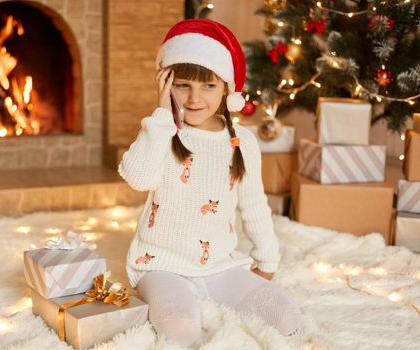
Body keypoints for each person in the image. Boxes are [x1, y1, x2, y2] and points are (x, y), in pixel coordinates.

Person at [118, 19, 302, 347]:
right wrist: (162, 116)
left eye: (208, 86)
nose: (194, 98)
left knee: (287, 318)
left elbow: (255, 206)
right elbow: (138, 177)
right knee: (181, 329)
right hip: (160, 267)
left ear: (227, 90)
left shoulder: (241, 142)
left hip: (219, 266)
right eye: (183, 85)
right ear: (165, 83)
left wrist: (267, 262)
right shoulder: (161, 132)